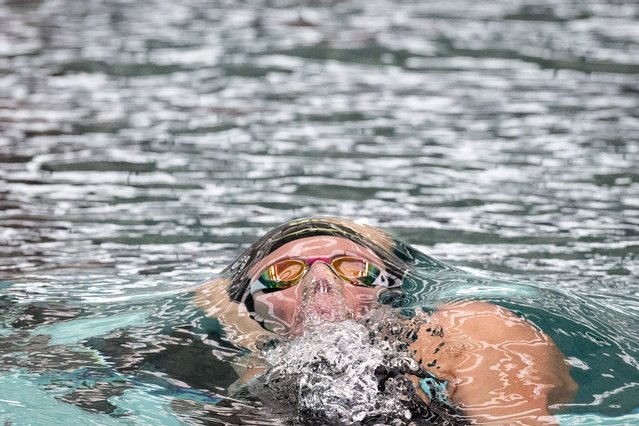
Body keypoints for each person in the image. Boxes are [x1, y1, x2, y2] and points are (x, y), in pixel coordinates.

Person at [195, 217, 578, 425]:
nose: (321, 285)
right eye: (282, 275)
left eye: (355, 269)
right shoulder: (238, 370)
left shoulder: (466, 330)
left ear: (394, 291)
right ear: (249, 307)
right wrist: (241, 335)